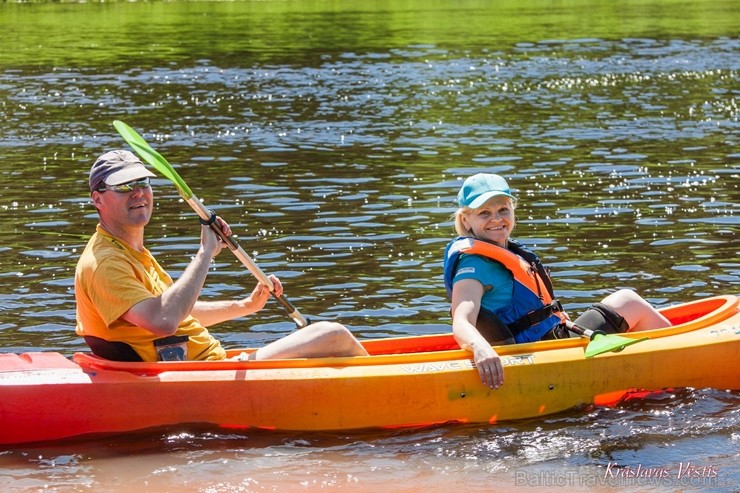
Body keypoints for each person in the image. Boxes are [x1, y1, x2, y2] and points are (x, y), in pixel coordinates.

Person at [75, 149, 368, 362]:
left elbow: (179, 311)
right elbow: (164, 320)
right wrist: (205, 253)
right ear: (97, 199)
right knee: (333, 335)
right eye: (125, 186)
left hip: (206, 370)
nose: (138, 193)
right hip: (198, 379)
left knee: (327, 342)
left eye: (143, 183)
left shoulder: (129, 251)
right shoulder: (106, 262)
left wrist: (245, 306)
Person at [444, 173, 671, 389]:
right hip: (539, 356)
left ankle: (654, 371)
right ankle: (679, 359)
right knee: (628, 301)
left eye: (503, 209)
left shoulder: (508, 254)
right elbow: (462, 320)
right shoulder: (473, 269)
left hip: (550, 342)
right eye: (484, 213)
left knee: (629, 310)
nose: (496, 219)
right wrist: (479, 347)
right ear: (466, 219)